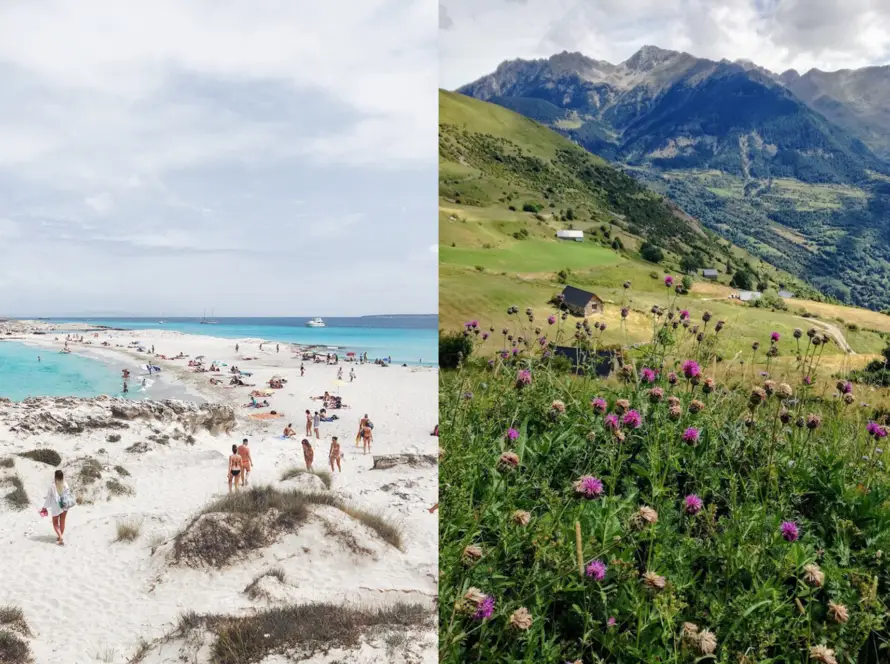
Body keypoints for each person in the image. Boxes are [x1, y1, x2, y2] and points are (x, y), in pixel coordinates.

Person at [43, 470, 73, 546]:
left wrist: (45, 507)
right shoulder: (65, 484)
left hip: (56, 506)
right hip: (65, 504)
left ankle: (60, 537)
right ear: (62, 476)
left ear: (55, 477)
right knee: (62, 521)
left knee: (55, 522)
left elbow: (48, 498)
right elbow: (68, 494)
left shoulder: (52, 486)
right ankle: (60, 536)